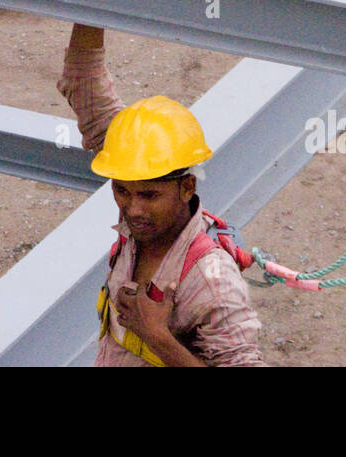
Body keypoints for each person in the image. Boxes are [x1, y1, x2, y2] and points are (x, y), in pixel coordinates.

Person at [88, 94, 267, 367]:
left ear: (187, 188)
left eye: (149, 195)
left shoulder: (212, 281)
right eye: (122, 191)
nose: (133, 210)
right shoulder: (144, 224)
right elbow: (94, 109)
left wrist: (158, 338)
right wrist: (84, 51)